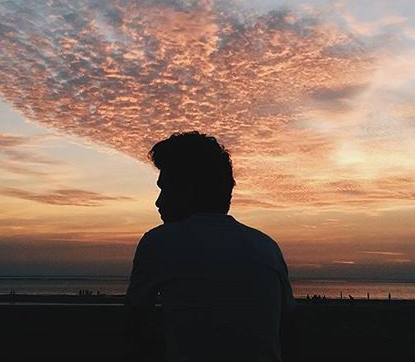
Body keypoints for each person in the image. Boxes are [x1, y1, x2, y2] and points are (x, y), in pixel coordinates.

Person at [126, 131, 296, 362]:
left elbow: (137, 326)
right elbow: (285, 328)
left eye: (165, 188)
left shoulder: (159, 243)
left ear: (188, 190)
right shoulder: (266, 247)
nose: (158, 201)